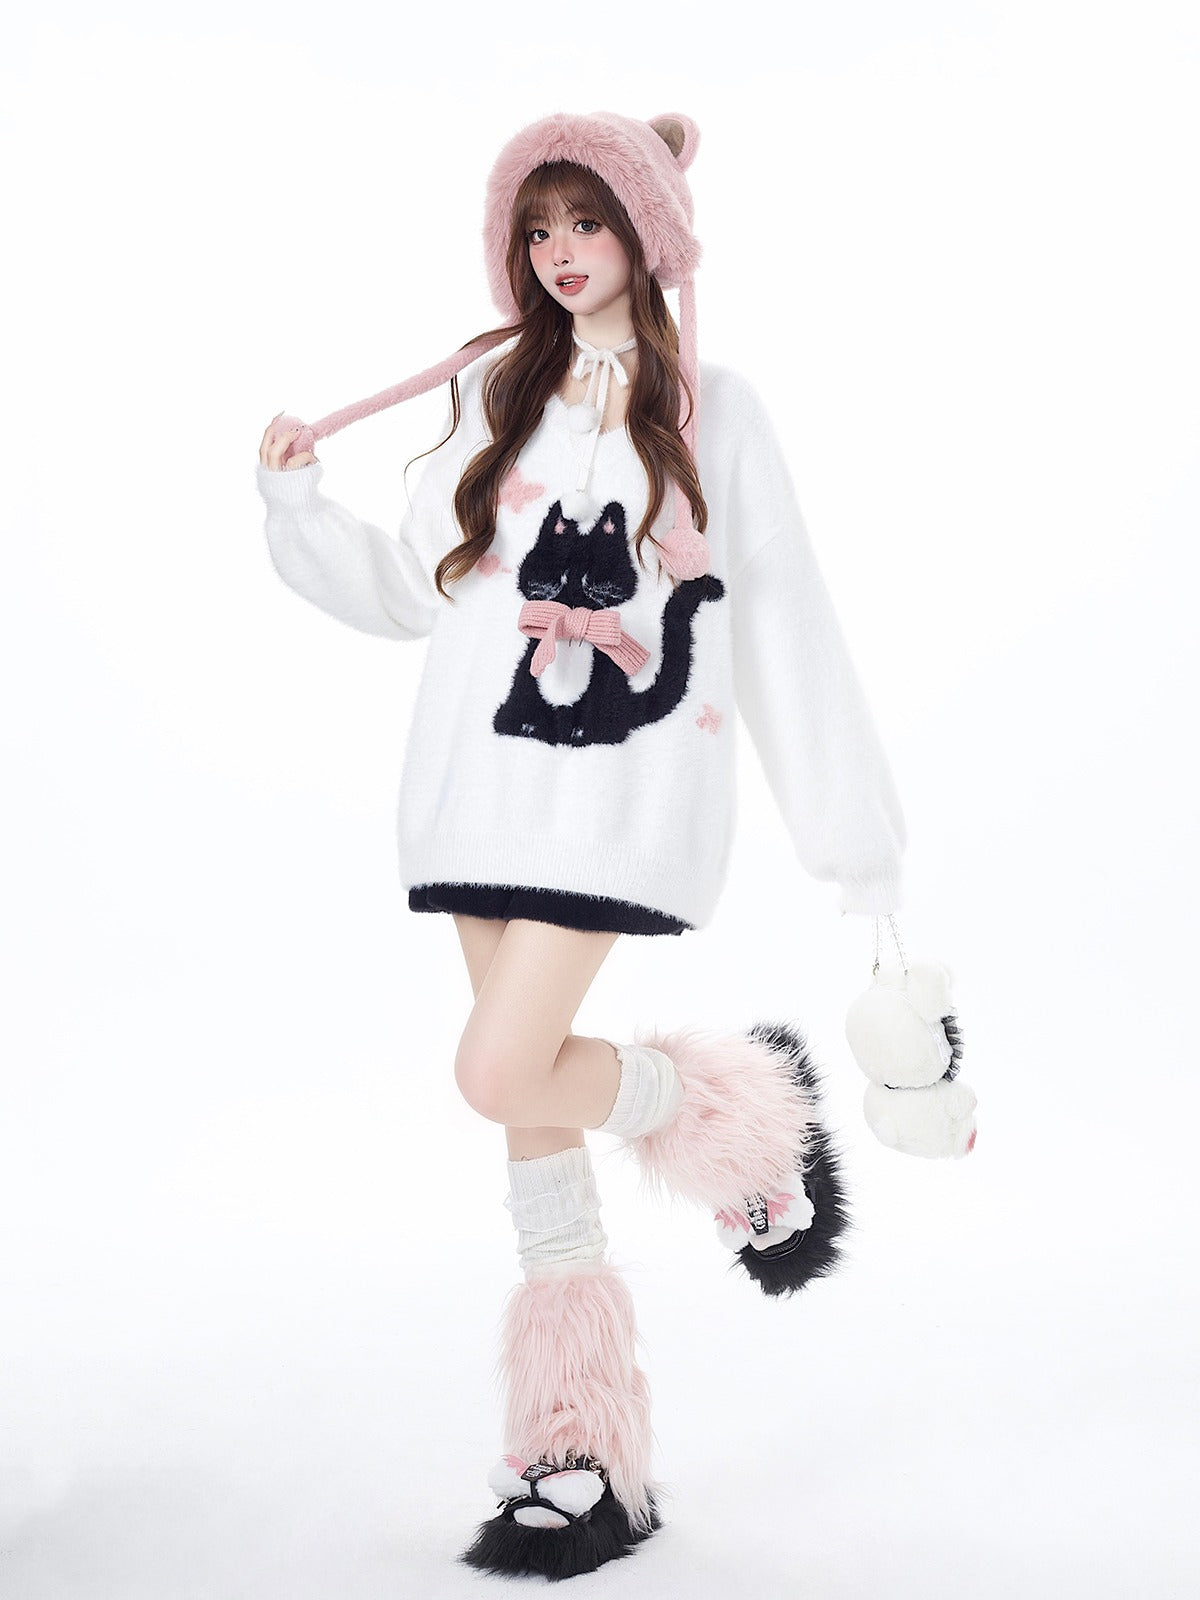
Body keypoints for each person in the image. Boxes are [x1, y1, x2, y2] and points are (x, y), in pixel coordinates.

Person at [255, 110, 907, 1580]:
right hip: (473, 794)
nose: (559, 253)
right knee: (529, 1112)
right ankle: (579, 1450)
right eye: (537, 227)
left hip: (619, 809)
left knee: (498, 1068)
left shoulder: (716, 410)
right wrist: (297, 510)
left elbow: (784, 623)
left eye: (587, 223)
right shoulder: (494, 390)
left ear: (646, 237)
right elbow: (414, 588)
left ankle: (738, 1117)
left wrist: (855, 843)